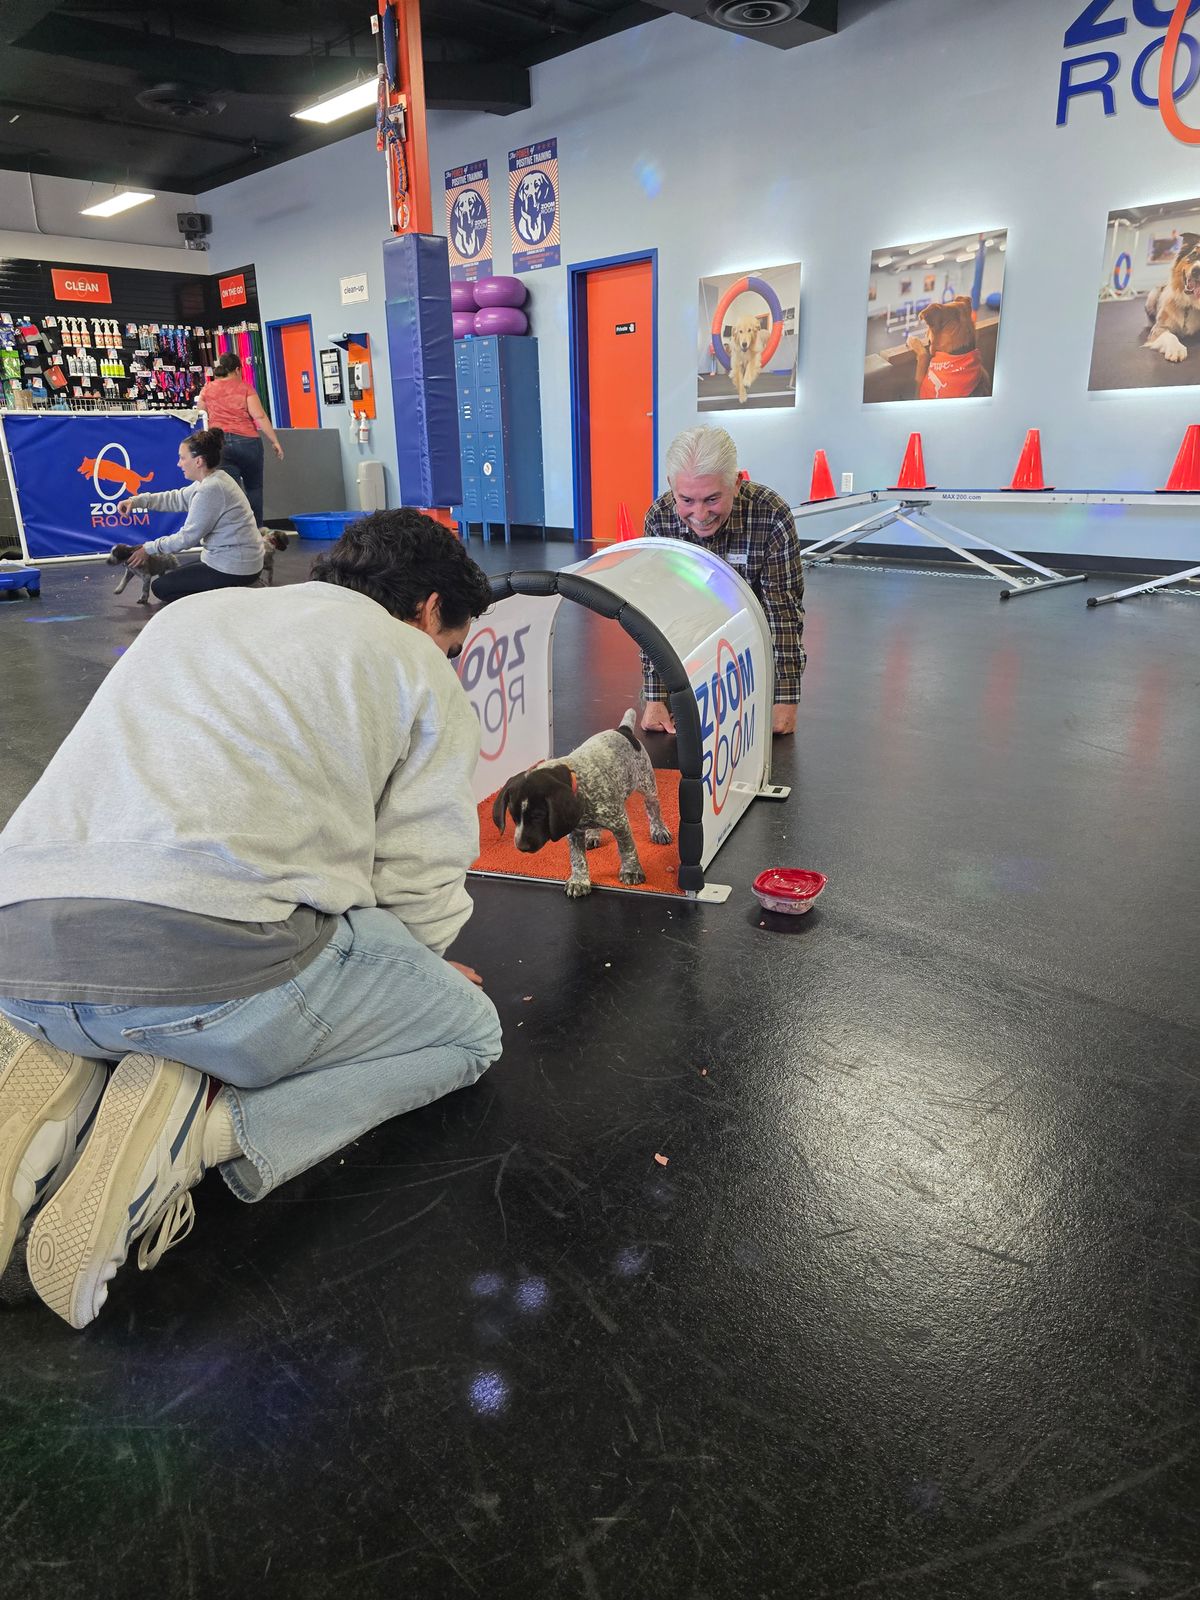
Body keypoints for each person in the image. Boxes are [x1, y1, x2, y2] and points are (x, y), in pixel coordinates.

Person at [0, 510, 501, 1330]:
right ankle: (203, 1128)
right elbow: (419, 879)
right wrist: (411, 982)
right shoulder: (414, 664)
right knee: (471, 1035)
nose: (446, 657)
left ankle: (68, 1060)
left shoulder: (190, 616)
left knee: (111, 994)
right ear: (429, 609)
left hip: (19, 951)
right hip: (205, 976)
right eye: (452, 643)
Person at [639, 426, 806, 738]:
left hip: (751, 651)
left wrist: (785, 698)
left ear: (736, 483)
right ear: (671, 486)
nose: (700, 514)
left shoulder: (771, 515)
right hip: (687, 653)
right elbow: (655, 614)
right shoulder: (659, 519)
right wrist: (654, 695)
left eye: (712, 499)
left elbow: (782, 613)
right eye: (686, 499)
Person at [125, 426, 265, 604]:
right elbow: (176, 498)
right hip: (238, 562)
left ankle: (234, 595)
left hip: (237, 567)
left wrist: (148, 549)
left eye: (183, 458)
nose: (179, 463)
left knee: (160, 587)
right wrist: (137, 501)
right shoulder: (214, 479)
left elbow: (187, 538)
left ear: (198, 461)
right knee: (175, 578)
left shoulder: (211, 488)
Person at [196, 351, 283, 527]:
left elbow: (201, 416)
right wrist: (275, 441)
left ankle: (236, 530)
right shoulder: (245, 388)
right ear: (237, 369)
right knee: (254, 488)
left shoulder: (207, 389)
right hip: (248, 442)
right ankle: (256, 530)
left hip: (220, 445)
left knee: (231, 492)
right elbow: (259, 416)